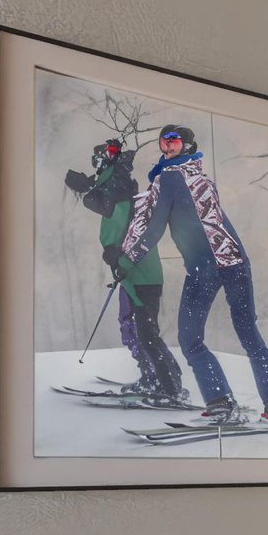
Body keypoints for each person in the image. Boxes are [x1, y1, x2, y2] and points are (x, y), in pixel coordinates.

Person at [116, 124, 268, 428]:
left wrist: (129, 258)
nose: (167, 146)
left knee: (190, 339)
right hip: (235, 261)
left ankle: (222, 403)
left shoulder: (169, 177)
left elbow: (155, 226)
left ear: (186, 145)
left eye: (173, 141)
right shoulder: (198, 178)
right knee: (249, 337)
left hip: (205, 267)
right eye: (163, 141)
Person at [65, 135, 187, 405]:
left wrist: (116, 257)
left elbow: (123, 229)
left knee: (145, 332)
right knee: (135, 328)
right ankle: (155, 377)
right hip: (135, 274)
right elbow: (103, 200)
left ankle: (169, 387)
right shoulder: (120, 187)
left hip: (140, 274)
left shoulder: (118, 189)